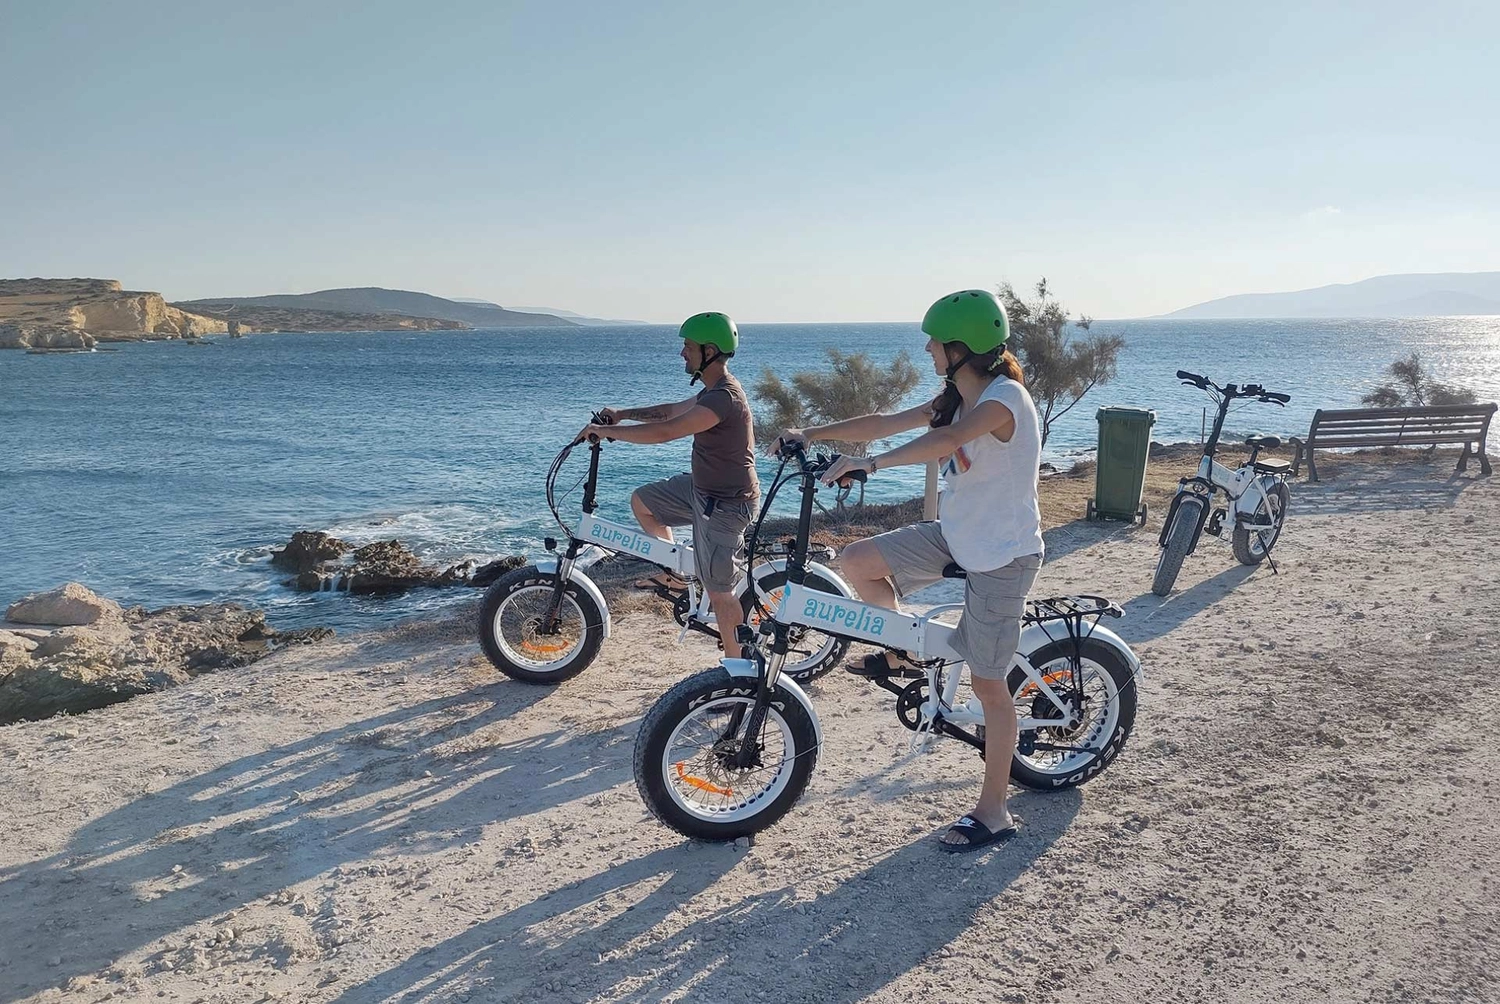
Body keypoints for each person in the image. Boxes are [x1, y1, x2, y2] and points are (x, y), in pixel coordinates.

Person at [774, 289, 1043, 853]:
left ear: (962, 347)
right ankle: (906, 653)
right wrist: (812, 434)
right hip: (958, 536)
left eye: (935, 342)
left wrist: (870, 465)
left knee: (988, 685)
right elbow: (883, 422)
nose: (927, 350)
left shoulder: (1005, 400)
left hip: (1003, 554)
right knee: (858, 561)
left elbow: (946, 441)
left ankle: (995, 812)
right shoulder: (954, 397)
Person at [578, 311, 759, 657]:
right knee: (644, 502)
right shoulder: (711, 391)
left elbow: (666, 431)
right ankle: (677, 575)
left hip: (726, 505)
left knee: (720, 592)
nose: (682, 353)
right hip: (702, 491)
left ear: (709, 351)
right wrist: (623, 414)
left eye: (688, 347)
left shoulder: (724, 398)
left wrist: (605, 432)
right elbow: (671, 412)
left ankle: (738, 671)